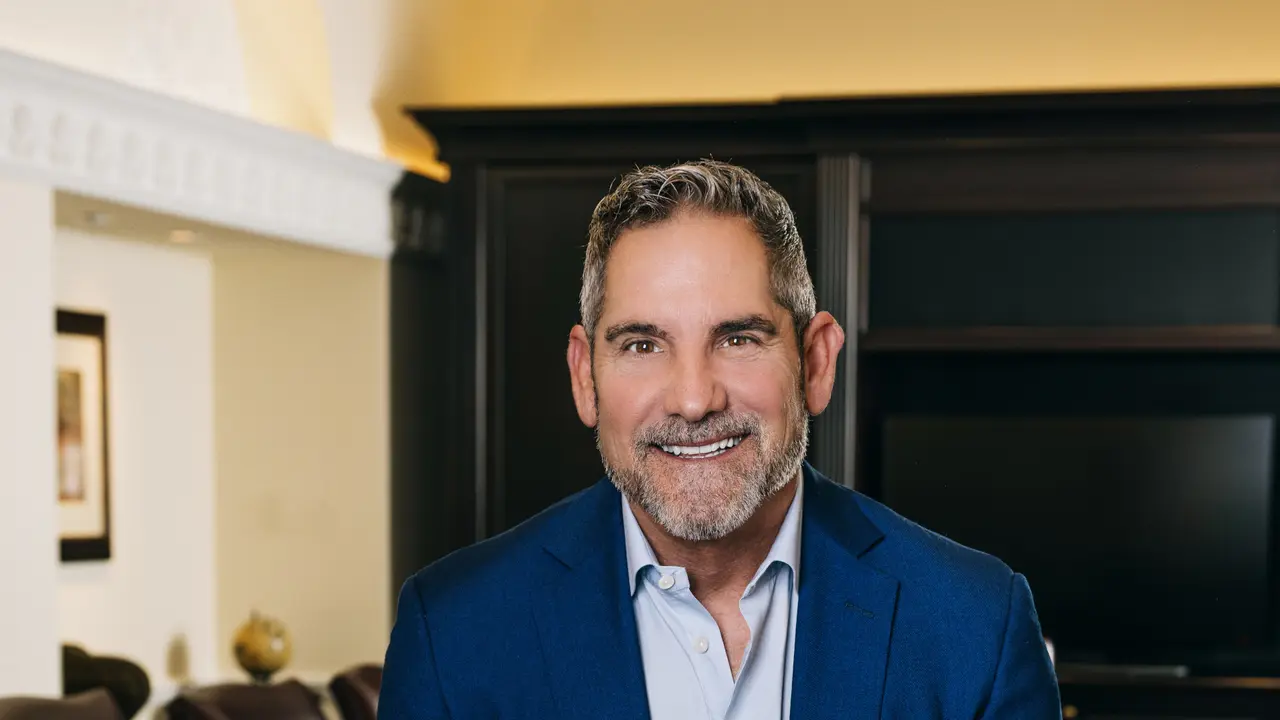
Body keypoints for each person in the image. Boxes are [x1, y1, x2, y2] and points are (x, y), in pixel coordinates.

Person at [379, 160, 1062, 719]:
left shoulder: (976, 626)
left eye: (738, 339)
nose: (694, 398)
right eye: (643, 344)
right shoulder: (454, 634)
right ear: (585, 377)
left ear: (816, 362)